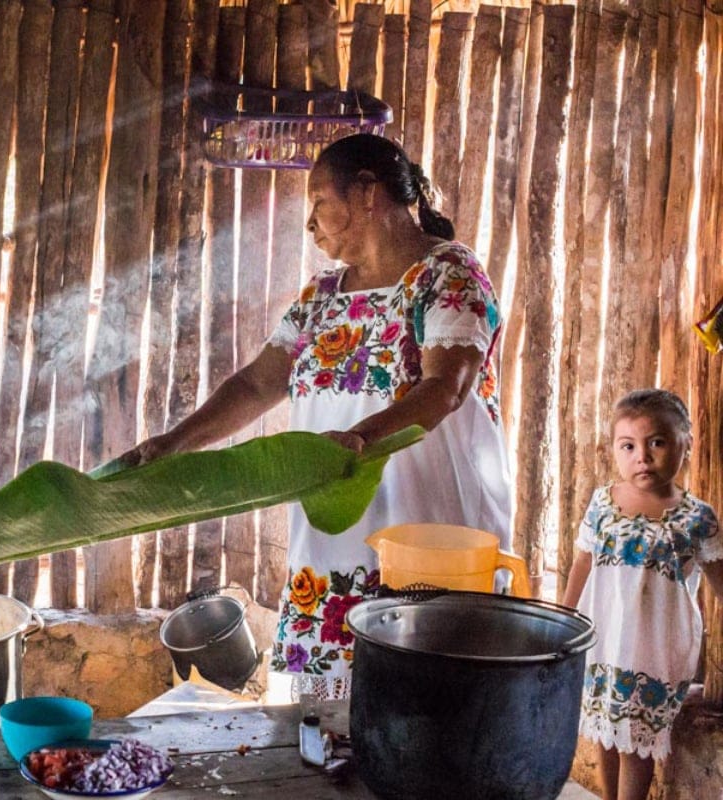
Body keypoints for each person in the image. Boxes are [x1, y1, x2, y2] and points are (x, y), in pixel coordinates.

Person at [123, 133, 514, 701]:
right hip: (334, 532)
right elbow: (258, 382)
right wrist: (175, 442)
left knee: (423, 700)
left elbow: (444, 387)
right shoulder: (323, 295)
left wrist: (356, 441)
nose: (311, 224)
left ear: (366, 193)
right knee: (327, 717)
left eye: (318, 202)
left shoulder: (447, 275)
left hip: (426, 529)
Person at [562, 389, 723, 800]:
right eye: (629, 446)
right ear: (614, 450)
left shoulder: (696, 517)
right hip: (604, 643)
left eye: (657, 442)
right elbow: (583, 562)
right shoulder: (603, 503)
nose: (643, 457)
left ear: (686, 443)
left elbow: (720, 577)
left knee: (635, 743)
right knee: (605, 732)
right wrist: (565, 618)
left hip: (655, 649)